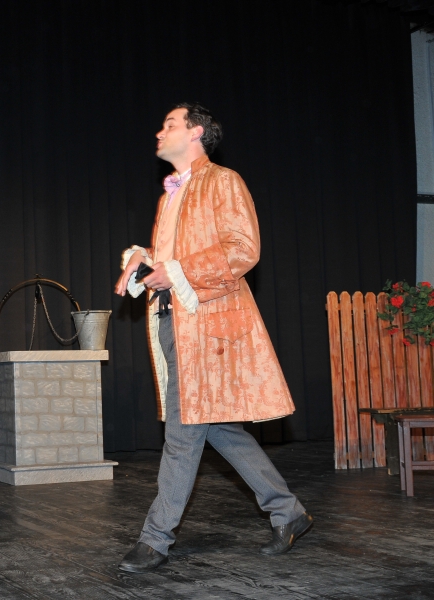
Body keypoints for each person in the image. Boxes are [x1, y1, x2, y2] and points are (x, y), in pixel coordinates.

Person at [113, 103, 312, 574]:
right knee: (218, 428)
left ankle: (155, 539)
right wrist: (143, 259)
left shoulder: (223, 181)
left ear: (196, 132)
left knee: (183, 435)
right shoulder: (169, 196)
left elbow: (243, 249)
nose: (159, 132)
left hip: (207, 327)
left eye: (170, 124)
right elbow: (172, 257)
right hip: (173, 323)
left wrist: (175, 269)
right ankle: (288, 512)